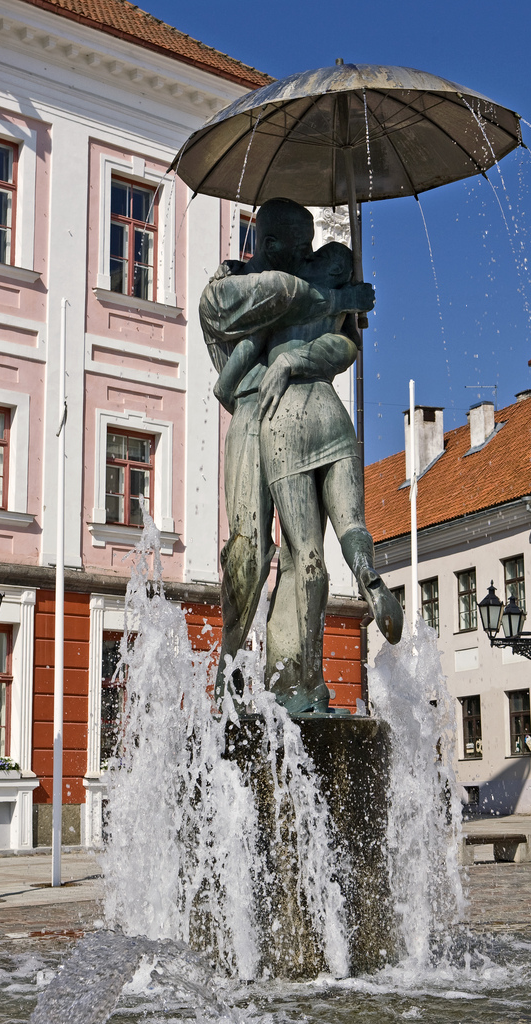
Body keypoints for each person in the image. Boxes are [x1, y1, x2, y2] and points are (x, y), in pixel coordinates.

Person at [200, 198, 374, 703]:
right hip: (252, 415)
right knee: (250, 552)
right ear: (271, 243)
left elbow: (343, 350)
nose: (306, 256)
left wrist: (337, 326)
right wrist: (340, 298)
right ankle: (228, 669)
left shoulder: (307, 280)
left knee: (304, 555)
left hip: (298, 410)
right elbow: (274, 294)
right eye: (299, 248)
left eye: (310, 249)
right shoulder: (228, 282)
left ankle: (288, 677)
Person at [223, 241, 403, 712]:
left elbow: (236, 366)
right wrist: (349, 308)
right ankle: (366, 572)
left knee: (304, 554)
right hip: (334, 415)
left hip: (286, 421)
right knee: (352, 526)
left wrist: (247, 378)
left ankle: (308, 682)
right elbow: (342, 351)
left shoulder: (285, 299)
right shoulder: (343, 324)